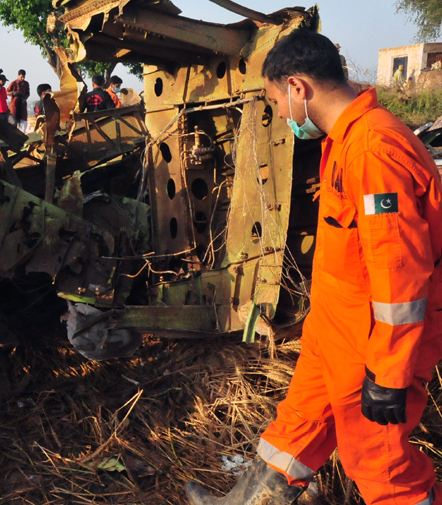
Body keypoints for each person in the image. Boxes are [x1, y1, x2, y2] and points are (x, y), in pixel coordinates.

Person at [185, 30, 442, 505]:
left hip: (374, 346)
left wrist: (387, 374)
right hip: (337, 328)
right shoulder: (344, 143)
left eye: (275, 100)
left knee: (378, 460)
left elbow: (399, 275)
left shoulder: (372, 149)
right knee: (298, 424)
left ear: (297, 87)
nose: (280, 114)